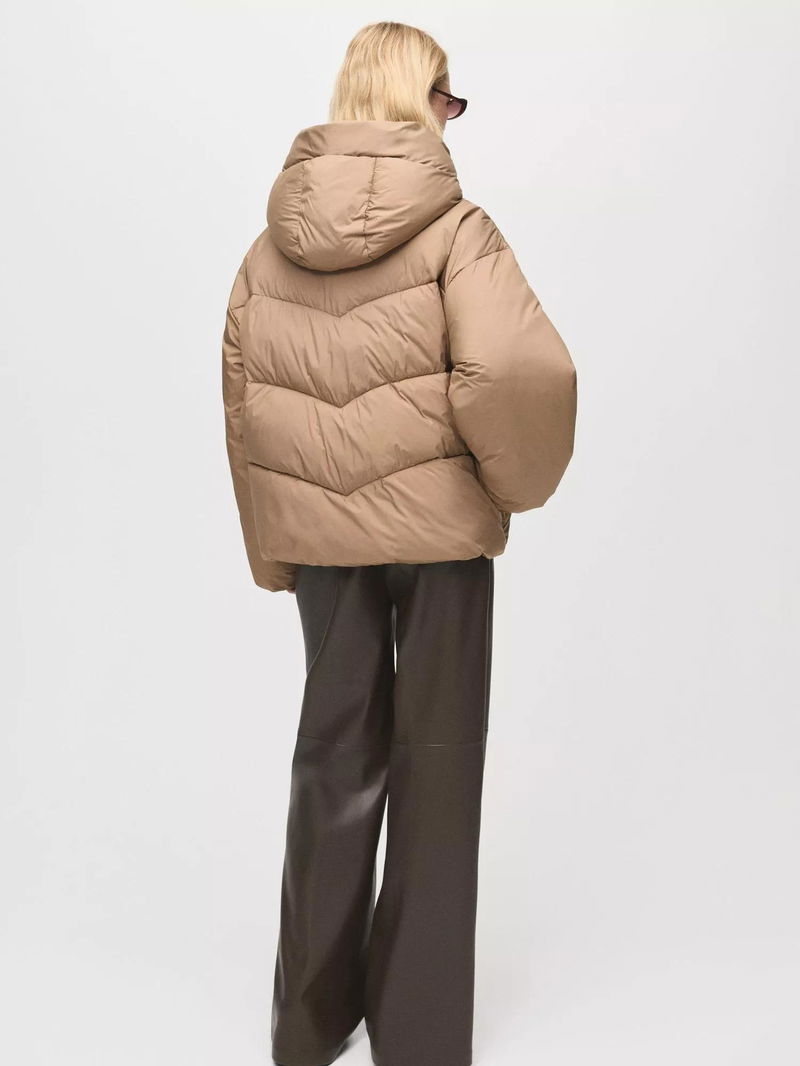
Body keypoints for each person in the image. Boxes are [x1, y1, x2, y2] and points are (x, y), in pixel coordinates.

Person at [221, 20, 577, 1066]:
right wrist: (509, 487)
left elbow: (242, 405)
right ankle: (418, 1035)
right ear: (414, 100)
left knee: (330, 757)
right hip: (440, 536)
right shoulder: (457, 231)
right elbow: (522, 374)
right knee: (436, 763)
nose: (453, 117)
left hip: (323, 546)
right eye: (446, 97)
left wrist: (273, 546)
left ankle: (307, 1024)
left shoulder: (267, 247)